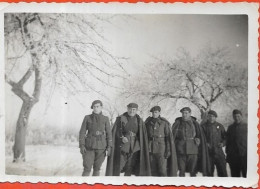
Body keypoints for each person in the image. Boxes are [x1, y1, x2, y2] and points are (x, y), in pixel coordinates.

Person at [106, 103, 151, 176]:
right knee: (119, 166)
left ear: (136, 110)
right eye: (130, 109)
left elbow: (142, 134)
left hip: (135, 147)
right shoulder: (120, 119)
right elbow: (115, 132)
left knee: (129, 167)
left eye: (134, 110)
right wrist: (122, 137)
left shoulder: (139, 120)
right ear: (127, 109)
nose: (132, 111)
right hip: (123, 147)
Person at [172, 107, 210, 177]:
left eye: (186, 113)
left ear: (190, 113)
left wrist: (197, 140)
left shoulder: (194, 123)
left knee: (193, 171)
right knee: (181, 171)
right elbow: (173, 136)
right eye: (183, 113)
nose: (184, 115)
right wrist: (177, 144)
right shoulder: (178, 123)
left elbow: (199, 135)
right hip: (181, 151)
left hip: (193, 150)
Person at [79, 100, 112, 176]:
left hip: (101, 147)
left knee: (97, 169)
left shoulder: (105, 119)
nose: (96, 108)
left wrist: (109, 146)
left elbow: (109, 133)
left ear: (101, 107)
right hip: (89, 147)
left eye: (98, 106)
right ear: (92, 108)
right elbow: (82, 132)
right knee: (87, 168)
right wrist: (82, 145)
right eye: (94, 106)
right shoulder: (87, 118)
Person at [145, 106, 178, 176]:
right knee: (152, 170)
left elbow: (168, 138)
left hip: (161, 149)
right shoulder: (148, 123)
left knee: (162, 170)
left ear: (159, 112)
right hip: (150, 148)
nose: (154, 114)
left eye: (156, 112)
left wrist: (168, 150)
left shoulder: (164, 123)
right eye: (153, 112)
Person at [201, 110, 227, 177]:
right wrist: (205, 143)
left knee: (223, 173)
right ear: (207, 117)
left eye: (213, 116)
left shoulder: (220, 126)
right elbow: (201, 138)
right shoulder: (203, 127)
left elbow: (226, 137)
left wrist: (223, 143)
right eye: (210, 116)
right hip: (208, 154)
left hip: (219, 152)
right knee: (209, 174)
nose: (211, 118)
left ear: (215, 117)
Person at [226, 109, 247, 177]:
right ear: (233, 117)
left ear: (241, 116)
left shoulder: (247, 126)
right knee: (235, 176)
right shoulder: (230, 128)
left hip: (245, 155)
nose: (237, 118)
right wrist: (228, 154)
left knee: (246, 175)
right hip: (233, 156)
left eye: (238, 116)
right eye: (235, 116)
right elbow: (228, 142)